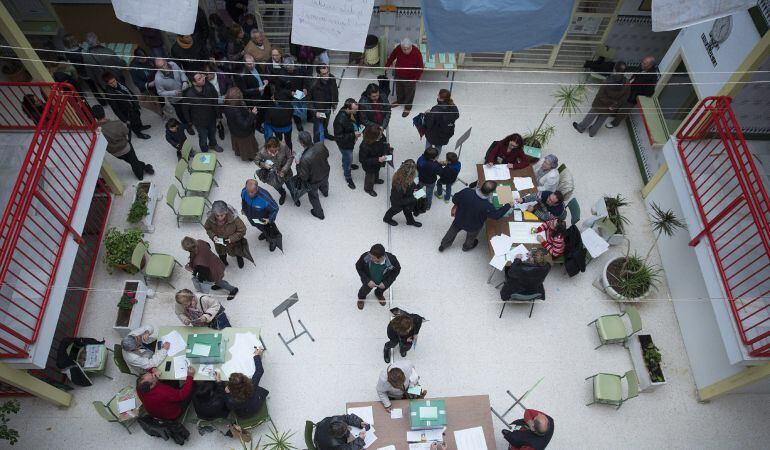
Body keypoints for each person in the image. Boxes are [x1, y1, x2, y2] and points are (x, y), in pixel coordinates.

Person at [439, 181, 513, 252]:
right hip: (473, 226)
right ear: (490, 193)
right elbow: (496, 216)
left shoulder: (466, 191)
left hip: (459, 219)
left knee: (452, 231)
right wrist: (508, 205)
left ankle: (443, 245)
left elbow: (454, 199)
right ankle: (467, 247)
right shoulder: (487, 206)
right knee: (471, 237)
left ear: (482, 186)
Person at [93, 104, 154, 180]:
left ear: (95, 116)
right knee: (133, 161)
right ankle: (140, 175)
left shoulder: (97, 130)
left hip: (115, 152)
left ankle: (144, 166)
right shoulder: (116, 123)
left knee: (132, 161)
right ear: (104, 112)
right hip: (125, 147)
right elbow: (127, 132)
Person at [573, 61, 630, 137]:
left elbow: (601, 95)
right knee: (602, 119)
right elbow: (625, 97)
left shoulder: (607, 80)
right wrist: (614, 105)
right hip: (612, 106)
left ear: (614, 69)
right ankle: (592, 132)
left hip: (600, 103)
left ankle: (581, 128)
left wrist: (609, 103)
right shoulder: (627, 83)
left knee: (591, 115)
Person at [606, 55, 658, 128]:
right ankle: (613, 113)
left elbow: (650, 92)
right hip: (627, 90)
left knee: (624, 110)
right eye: (642, 62)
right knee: (618, 102)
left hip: (633, 96)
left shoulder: (652, 77)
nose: (642, 64)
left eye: (645, 63)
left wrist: (638, 92)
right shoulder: (641, 67)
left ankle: (615, 123)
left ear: (650, 65)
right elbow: (635, 76)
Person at [220, 348, 269, 419]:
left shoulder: (230, 400)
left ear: (230, 387)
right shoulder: (252, 384)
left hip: (244, 414)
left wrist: (224, 391)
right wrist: (257, 356)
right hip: (256, 403)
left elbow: (228, 406)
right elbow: (260, 371)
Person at [102, 72, 151, 139]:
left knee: (138, 116)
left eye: (114, 81)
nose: (114, 84)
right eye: (111, 83)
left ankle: (140, 126)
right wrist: (124, 120)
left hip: (133, 104)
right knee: (133, 123)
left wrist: (135, 100)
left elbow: (128, 91)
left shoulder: (120, 83)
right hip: (126, 111)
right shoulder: (109, 94)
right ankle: (139, 134)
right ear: (107, 83)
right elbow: (115, 109)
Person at [183, 72, 223, 153]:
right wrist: (189, 122)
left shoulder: (209, 87)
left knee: (212, 134)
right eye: (199, 79)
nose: (203, 78)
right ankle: (204, 151)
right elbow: (185, 110)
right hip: (199, 122)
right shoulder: (188, 95)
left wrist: (219, 116)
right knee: (203, 138)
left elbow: (215, 101)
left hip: (211, 118)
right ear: (194, 83)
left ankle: (213, 144)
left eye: (202, 76)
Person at [384, 38, 424, 117]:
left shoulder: (417, 52)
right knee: (399, 89)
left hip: (411, 77)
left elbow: (421, 67)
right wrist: (387, 65)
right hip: (399, 74)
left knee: (410, 93)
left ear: (411, 46)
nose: (405, 51)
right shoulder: (398, 48)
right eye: (404, 49)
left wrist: (416, 79)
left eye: (407, 49)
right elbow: (392, 56)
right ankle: (400, 101)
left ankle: (408, 107)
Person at [204, 200, 249, 268]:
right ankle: (224, 262)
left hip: (234, 243)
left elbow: (242, 230)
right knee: (222, 254)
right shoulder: (210, 219)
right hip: (220, 244)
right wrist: (213, 236)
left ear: (226, 212)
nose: (219, 218)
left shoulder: (234, 218)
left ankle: (239, 259)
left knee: (237, 252)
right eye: (217, 215)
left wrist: (232, 238)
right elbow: (208, 229)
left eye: (221, 215)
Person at [355, 243, 401, 310]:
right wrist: (367, 281)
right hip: (368, 281)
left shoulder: (392, 261)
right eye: (370, 255)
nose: (370, 258)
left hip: (383, 282)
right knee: (364, 290)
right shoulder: (366, 257)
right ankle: (361, 298)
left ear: (382, 257)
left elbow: (396, 271)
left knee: (381, 290)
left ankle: (378, 294)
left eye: (373, 257)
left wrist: (386, 283)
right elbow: (358, 267)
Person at [296, 131, 330, 220]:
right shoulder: (320, 145)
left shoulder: (304, 159)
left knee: (313, 197)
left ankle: (319, 214)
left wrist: (297, 164)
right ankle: (325, 193)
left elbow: (304, 177)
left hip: (314, 181)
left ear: (302, 143)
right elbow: (327, 155)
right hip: (325, 172)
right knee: (325, 183)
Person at [154, 58, 193, 134]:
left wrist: (184, 81)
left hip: (185, 92)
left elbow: (181, 72)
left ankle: (192, 120)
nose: (164, 68)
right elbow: (160, 92)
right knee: (180, 112)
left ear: (166, 61)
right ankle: (187, 126)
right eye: (160, 67)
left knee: (189, 107)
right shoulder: (158, 78)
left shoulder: (173, 64)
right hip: (175, 98)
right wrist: (173, 92)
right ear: (157, 68)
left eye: (164, 65)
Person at [82, 32, 127, 97]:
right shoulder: (107, 51)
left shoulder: (86, 57)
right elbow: (121, 64)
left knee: (114, 97)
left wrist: (100, 81)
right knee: (125, 93)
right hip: (116, 78)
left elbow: (90, 75)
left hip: (104, 82)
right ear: (97, 41)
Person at [223, 87, 260, 161]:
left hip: (234, 130)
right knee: (246, 146)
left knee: (238, 143)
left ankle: (238, 152)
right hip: (243, 133)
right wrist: (252, 114)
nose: (241, 93)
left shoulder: (226, 104)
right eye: (240, 93)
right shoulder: (236, 111)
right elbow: (245, 125)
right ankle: (250, 156)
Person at [234, 53, 269, 129]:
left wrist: (264, 79)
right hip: (254, 99)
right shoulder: (241, 75)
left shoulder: (257, 66)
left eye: (253, 62)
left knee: (263, 111)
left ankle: (262, 122)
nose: (252, 65)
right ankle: (258, 126)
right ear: (244, 63)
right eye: (249, 64)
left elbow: (261, 74)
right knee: (257, 114)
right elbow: (244, 91)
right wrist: (257, 89)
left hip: (262, 95)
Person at [241, 179, 280, 245]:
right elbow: (243, 200)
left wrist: (269, 219)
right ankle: (265, 233)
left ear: (257, 189)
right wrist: (244, 209)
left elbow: (275, 208)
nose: (249, 194)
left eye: (252, 192)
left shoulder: (265, 198)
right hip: (253, 218)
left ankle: (272, 241)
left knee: (270, 231)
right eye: (248, 191)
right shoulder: (244, 191)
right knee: (261, 228)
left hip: (264, 220)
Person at [383, 159, 422, 227]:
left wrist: (416, 188)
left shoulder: (402, 174)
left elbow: (411, 184)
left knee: (408, 210)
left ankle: (410, 221)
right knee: (394, 210)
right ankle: (386, 218)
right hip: (397, 202)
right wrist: (414, 197)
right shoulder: (399, 186)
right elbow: (398, 201)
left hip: (407, 197)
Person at [333, 98, 362, 189]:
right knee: (348, 157)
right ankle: (348, 176)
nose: (356, 112)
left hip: (350, 142)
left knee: (346, 157)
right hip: (345, 145)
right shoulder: (339, 121)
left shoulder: (348, 112)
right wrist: (353, 135)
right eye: (354, 110)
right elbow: (339, 137)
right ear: (348, 109)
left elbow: (353, 121)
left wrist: (358, 125)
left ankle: (345, 164)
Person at [255, 137, 294, 204]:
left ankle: (294, 195)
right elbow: (256, 160)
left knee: (290, 185)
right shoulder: (262, 151)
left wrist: (284, 170)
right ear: (267, 147)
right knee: (277, 186)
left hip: (286, 171)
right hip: (273, 174)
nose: (274, 153)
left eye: (276, 150)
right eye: (271, 151)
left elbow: (290, 157)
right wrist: (264, 164)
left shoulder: (283, 146)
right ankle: (283, 194)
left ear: (278, 146)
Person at [307, 64, 339, 142]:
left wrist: (335, 102)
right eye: (324, 74)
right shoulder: (313, 84)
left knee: (325, 123)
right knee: (317, 127)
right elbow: (308, 101)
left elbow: (335, 91)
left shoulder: (332, 78)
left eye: (327, 72)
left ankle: (325, 134)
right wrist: (315, 112)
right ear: (319, 74)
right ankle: (317, 142)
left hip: (328, 107)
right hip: (319, 110)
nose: (327, 75)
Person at [129, 48, 164, 116]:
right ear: (137, 58)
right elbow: (137, 82)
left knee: (161, 99)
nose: (145, 60)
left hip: (157, 84)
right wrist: (148, 84)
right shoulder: (134, 68)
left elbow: (156, 67)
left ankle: (163, 107)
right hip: (148, 89)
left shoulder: (149, 59)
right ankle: (161, 114)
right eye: (142, 59)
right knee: (156, 103)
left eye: (145, 57)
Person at [423, 89, 459, 154]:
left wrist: (427, 114)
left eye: (438, 95)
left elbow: (429, 124)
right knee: (439, 146)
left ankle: (427, 157)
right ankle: (435, 159)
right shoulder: (453, 106)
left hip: (433, 134)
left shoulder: (436, 109)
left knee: (428, 147)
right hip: (446, 132)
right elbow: (456, 116)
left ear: (440, 97)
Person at [358, 125, 389, 196]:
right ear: (373, 137)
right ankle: (368, 189)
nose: (381, 136)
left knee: (376, 171)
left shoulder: (379, 137)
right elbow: (362, 160)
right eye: (380, 136)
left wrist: (385, 152)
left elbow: (384, 141)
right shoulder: (364, 146)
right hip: (369, 166)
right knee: (370, 177)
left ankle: (376, 180)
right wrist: (377, 159)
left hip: (377, 162)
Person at [416, 147, 442, 211]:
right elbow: (440, 172)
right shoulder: (435, 165)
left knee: (418, 189)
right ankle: (427, 206)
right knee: (429, 194)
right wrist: (439, 164)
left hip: (421, 179)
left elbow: (418, 167)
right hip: (430, 182)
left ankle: (416, 200)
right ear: (432, 157)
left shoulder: (420, 159)